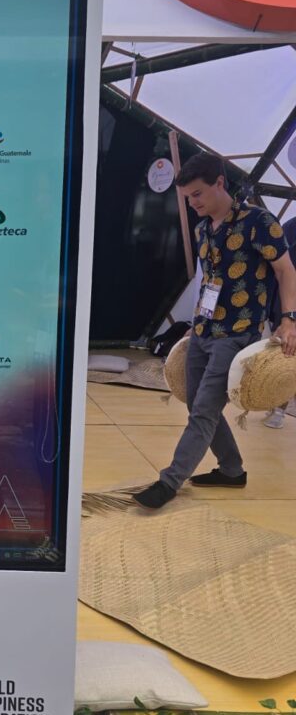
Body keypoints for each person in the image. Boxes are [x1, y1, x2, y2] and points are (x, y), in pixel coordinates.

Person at [134, 154, 296, 509]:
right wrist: (194, 326)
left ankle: (169, 482)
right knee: (196, 402)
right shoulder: (203, 229)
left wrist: (289, 320)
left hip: (237, 333)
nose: (193, 203)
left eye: (197, 194)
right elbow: (209, 280)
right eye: (188, 197)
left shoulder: (258, 222)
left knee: (204, 410)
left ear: (220, 183)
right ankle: (232, 470)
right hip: (203, 330)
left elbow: (286, 270)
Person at [263, 215, 296, 428]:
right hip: (287, 305)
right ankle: (277, 407)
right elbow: (280, 271)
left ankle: (278, 409)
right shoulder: (290, 227)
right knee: (286, 355)